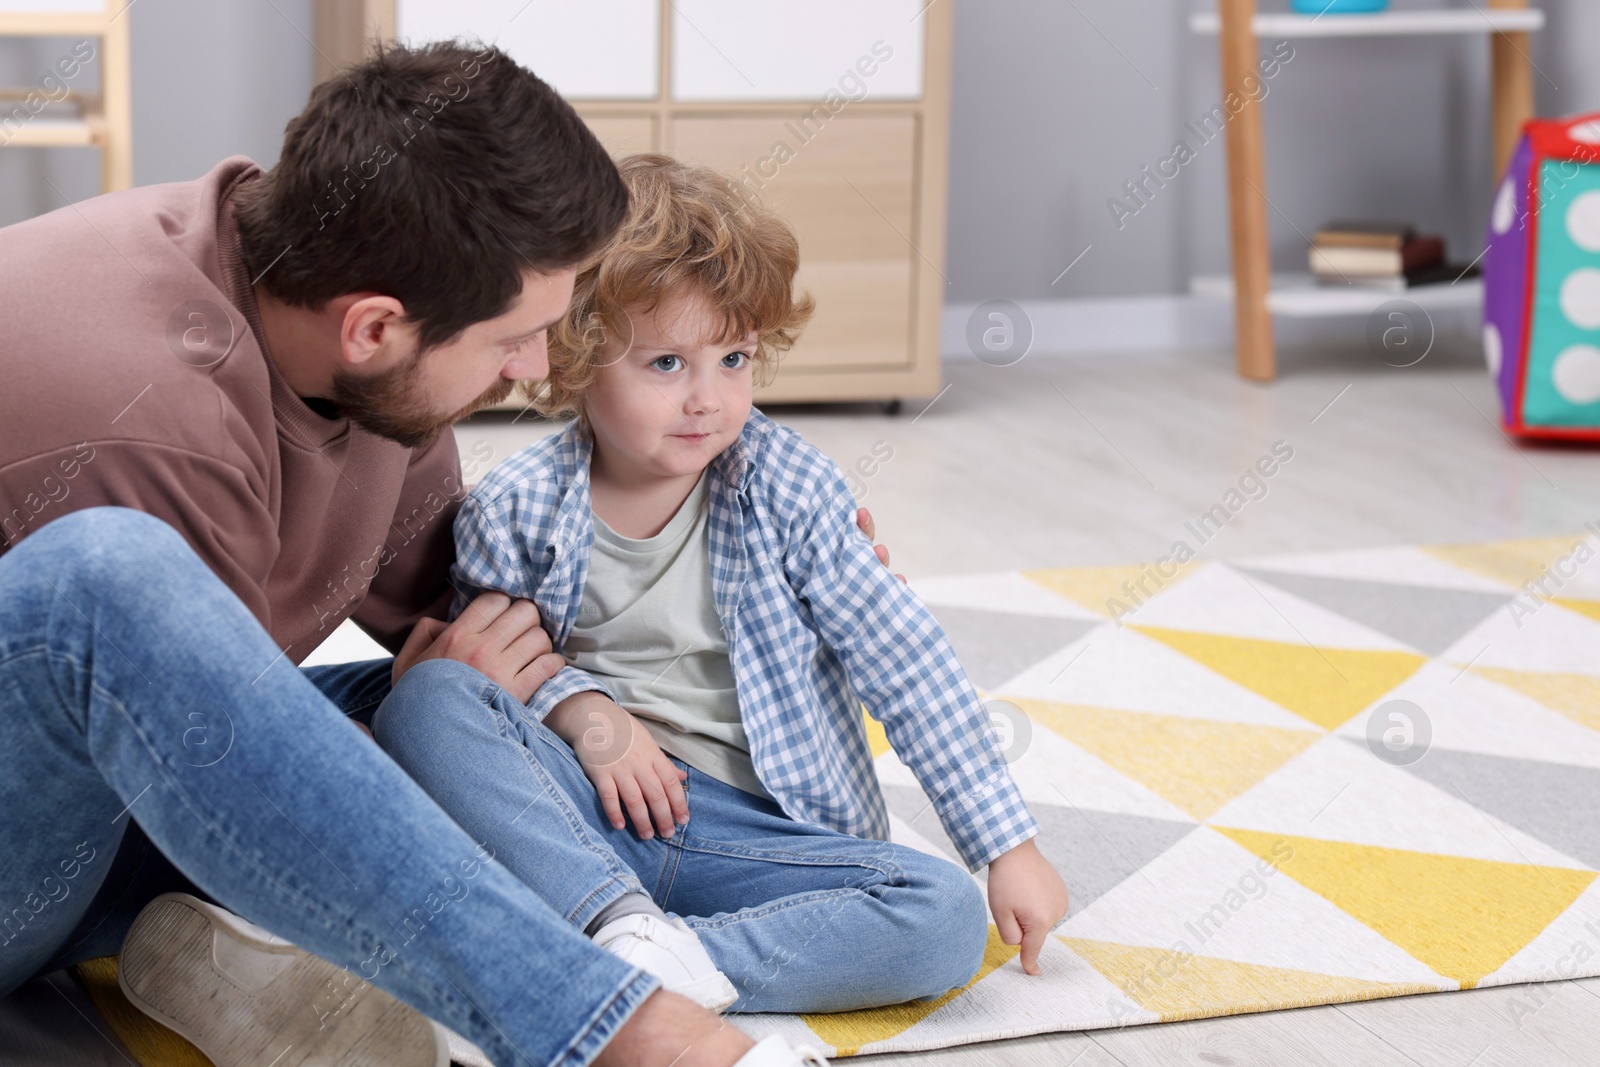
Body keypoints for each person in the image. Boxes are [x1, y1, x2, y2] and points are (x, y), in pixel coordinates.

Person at [0, 39, 872, 1067]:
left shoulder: (332, 310)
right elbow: (204, 739)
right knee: (109, 583)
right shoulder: (140, 406)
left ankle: (289, 956)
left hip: (91, 804)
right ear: (374, 328)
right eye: (513, 340)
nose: (537, 367)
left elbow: (474, 622)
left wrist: (762, 551)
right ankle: (615, 1025)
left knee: (451, 706)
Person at [370, 155, 1071, 1016]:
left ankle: (657, 959)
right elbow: (501, 679)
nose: (709, 399)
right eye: (666, 363)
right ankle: (616, 921)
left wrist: (1008, 842)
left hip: (761, 840)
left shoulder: (792, 491)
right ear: (579, 357)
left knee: (942, 918)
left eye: (733, 358)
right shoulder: (515, 510)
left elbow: (908, 664)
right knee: (427, 698)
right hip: (588, 816)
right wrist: (588, 714)